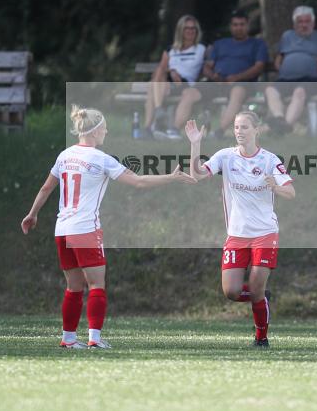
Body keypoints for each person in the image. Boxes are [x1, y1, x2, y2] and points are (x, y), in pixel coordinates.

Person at [21, 106, 195, 349]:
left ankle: (69, 339)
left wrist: (32, 214)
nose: (107, 131)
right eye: (104, 127)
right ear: (94, 131)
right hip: (85, 230)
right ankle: (94, 338)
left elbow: (46, 188)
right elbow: (139, 182)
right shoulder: (101, 159)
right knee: (96, 285)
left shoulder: (64, 155)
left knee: (73, 286)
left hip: (62, 229)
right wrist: (171, 177)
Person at [185, 111, 295, 347]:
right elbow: (196, 175)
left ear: (257, 130)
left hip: (265, 233)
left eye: (244, 127)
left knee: (255, 287)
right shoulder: (225, 156)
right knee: (232, 292)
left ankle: (261, 337)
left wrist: (275, 186)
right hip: (236, 235)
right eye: (236, 127)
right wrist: (195, 144)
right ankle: (260, 296)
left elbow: (291, 192)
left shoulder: (269, 160)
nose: (239, 131)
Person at [264, 6, 317, 132]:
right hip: (286, 79)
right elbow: (281, 53)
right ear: (294, 24)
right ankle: (280, 120)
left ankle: (283, 127)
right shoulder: (288, 36)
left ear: (313, 23)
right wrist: (279, 61)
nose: (304, 25)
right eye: (300, 22)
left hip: (310, 80)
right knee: (270, 90)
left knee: (299, 92)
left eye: (307, 21)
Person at [199, 10, 269, 138]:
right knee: (191, 92)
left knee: (237, 91)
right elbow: (207, 66)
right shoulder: (220, 44)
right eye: (235, 25)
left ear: (248, 25)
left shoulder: (257, 43)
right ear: (231, 27)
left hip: (244, 83)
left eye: (242, 24)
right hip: (218, 81)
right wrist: (213, 76)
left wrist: (237, 77)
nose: (239, 28)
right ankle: (175, 131)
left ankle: (219, 131)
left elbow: (259, 67)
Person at [144, 15, 205, 140]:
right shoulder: (171, 50)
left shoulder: (201, 49)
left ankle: (150, 126)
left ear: (197, 31)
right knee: (157, 80)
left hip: (185, 83)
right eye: (186, 28)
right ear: (180, 30)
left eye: (193, 28)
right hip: (167, 84)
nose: (190, 31)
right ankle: (158, 113)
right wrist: (171, 70)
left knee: (152, 88)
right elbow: (160, 71)